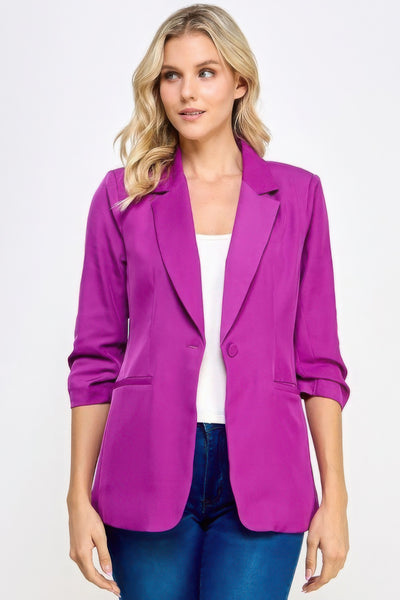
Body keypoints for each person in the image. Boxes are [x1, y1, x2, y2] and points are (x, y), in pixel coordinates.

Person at [66, 4, 350, 600]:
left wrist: (336, 499)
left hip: (267, 470)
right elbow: (94, 358)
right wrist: (77, 496)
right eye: (171, 75)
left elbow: (319, 361)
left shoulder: (298, 196)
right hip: (145, 467)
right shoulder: (124, 196)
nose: (187, 92)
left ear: (239, 82)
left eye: (206, 72)